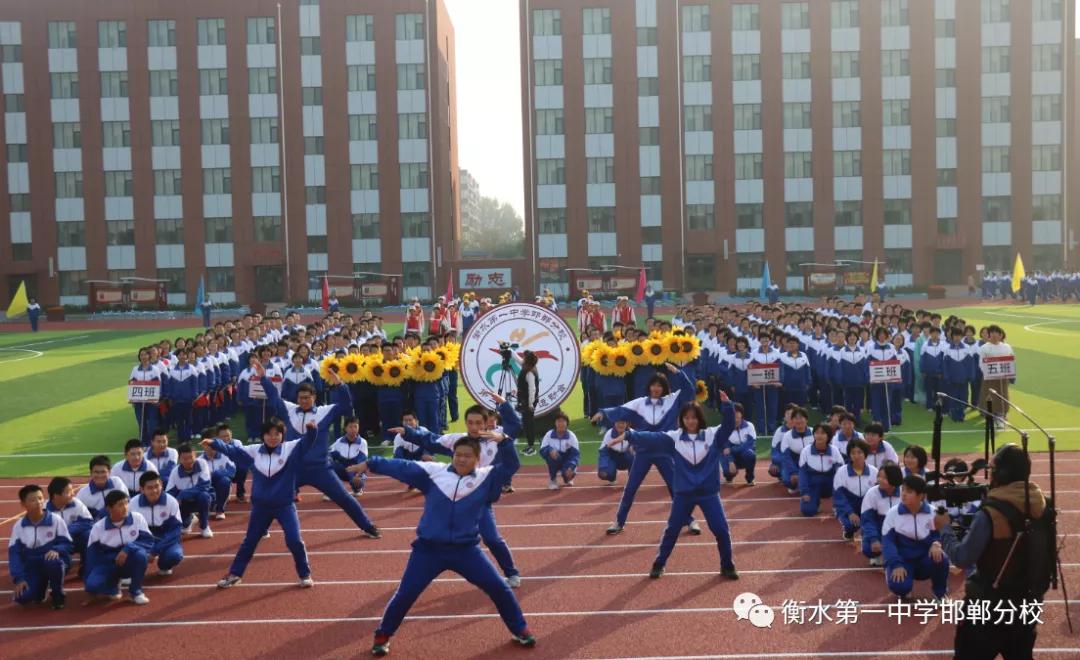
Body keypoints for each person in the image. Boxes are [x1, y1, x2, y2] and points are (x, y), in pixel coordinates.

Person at [348, 431, 534, 656]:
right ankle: (383, 634)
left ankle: (519, 629)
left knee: (500, 588)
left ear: (477, 459)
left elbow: (511, 465)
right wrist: (371, 463)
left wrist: (505, 441)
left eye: (467, 456)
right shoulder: (434, 473)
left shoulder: (487, 477)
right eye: (458, 454)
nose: (462, 459)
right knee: (406, 594)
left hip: (466, 550)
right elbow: (402, 466)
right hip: (428, 550)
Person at [933, 444, 1047, 659]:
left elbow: (962, 557)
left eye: (993, 469)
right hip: (1027, 605)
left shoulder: (991, 513)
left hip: (988, 608)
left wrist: (944, 528)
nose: (990, 474)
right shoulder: (1042, 505)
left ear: (1002, 473)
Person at [393, 399, 523, 587]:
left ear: (486, 422)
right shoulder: (458, 440)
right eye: (470, 422)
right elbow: (432, 440)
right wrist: (409, 433)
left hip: (479, 500)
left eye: (479, 422)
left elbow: (515, 425)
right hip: (454, 499)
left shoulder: (496, 437)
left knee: (492, 539)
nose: (474, 427)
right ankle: (417, 577)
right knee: (433, 536)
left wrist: (504, 405)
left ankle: (511, 573)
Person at [612, 397, 738, 580]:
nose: (690, 421)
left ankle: (727, 565)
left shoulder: (712, 436)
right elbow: (653, 437)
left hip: (708, 494)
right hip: (683, 495)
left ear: (700, 418)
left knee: (721, 529)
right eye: (686, 418)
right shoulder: (674, 438)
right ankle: (659, 563)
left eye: (694, 417)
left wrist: (728, 405)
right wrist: (630, 435)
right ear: (682, 420)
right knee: (672, 530)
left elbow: (728, 425)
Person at [258, 363, 379, 538]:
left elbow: (346, 406)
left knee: (344, 498)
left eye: (307, 397)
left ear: (314, 397)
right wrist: (263, 378)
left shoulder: (325, 411)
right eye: (300, 397)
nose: (303, 400)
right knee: (273, 497)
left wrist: (340, 384)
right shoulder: (289, 409)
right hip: (294, 468)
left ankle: (368, 526)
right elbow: (273, 397)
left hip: (321, 469)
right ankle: (261, 528)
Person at [207, 419, 322, 589]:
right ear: (263, 435)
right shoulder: (253, 451)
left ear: (283, 435)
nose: (273, 437)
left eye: (277, 434)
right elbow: (233, 451)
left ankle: (304, 574)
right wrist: (215, 443)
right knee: (250, 541)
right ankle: (235, 574)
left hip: (284, 505)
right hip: (261, 507)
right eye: (269, 434)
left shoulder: (290, 449)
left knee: (294, 540)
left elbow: (307, 441)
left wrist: (312, 430)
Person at [591, 364, 700, 536]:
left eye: (659, 385)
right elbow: (620, 410)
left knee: (675, 488)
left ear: (664, 387)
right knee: (631, 488)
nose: (656, 388)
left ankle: (690, 520)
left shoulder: (672, 400)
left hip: (664, 451)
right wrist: (602, 413)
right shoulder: (639, 403)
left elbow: (689, 390)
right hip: (643, 452)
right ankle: (619, 522)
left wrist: (678, 373)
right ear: (649, 386)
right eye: (653, 385)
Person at [881, 475, 949, 601]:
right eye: (903, 490)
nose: (904, 494)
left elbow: (939, 535)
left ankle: (939, 592)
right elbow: (888, 542)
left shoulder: (933, 513)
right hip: (902, 560)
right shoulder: (893, 514)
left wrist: (936, 543)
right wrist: (895, 564)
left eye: (909, 491)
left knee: (942, 558)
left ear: (921, 496)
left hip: (924, 560)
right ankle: (902, 585)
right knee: (900, 587)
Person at [84, 490, 155, 605]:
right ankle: (113, 584)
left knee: (141, 555)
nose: (125, 507)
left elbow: (148, 541)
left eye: (126, 503)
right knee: (92, 585)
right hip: (108, 563)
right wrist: (89, 584)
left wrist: (128, 548)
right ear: (109, 509)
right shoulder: (98, 528)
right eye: (120, 505)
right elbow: (92, 556)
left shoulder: (137, 518)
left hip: (129, 559)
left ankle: (136, 591)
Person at [8, 484, 72, 609]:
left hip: (53, 561)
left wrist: (56, 549)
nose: (38, 502)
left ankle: (58, 594)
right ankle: (40, 589)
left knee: (53, 562)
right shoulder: (19, 526)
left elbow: (67, 543)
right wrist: (20, 579)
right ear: (23, 504)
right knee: (22, 598)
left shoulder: (55, 520)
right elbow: (14, 553)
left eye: (40, 498)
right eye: (33, 500)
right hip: (33, 566)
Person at [129, 472, 184, 577]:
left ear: (162, 485)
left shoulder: (171, 502)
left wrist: (154, 551)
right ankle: (130, 571)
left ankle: (164, 565)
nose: (154, 491)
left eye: (156, 486)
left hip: (164, 536)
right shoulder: (133, 504)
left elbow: (175, 531)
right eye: (149, 488)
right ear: (141, 489)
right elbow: (130, 530)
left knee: (175, 555)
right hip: (143, 537)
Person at [45, 477, 94, 574]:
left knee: (88, 535)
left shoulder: (75, 503)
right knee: (61, 567)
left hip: (74, 539)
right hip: (57, 544)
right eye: (68, 492)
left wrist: (67, 531)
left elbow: (88, 522)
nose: (73, 494)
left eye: (72, 490)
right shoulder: (44, 511)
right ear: (56, 496)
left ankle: (86, 566)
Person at [832, 439, 878, 540]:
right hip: (849, 506)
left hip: (867, 507)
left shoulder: (874, 471)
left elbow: (878, 494)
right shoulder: (841, 472)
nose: (856, 456)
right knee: (851, 525)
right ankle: (848, 530)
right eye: (853, 453)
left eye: (859, 452)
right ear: (849, 455)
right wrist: (850, 512)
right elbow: (838, 495)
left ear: (865, 454)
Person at [165, 444, 214, 538]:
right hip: (185, 503)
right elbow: (169, 492)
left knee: (204, 496)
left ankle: (204, 526)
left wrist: (182, 494)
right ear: (179, 459)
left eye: (191, 457)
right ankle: (188, 520)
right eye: (184, 458)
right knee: (173, 502)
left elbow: (204, 485)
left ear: (195, 455)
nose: (188, 461)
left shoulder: (202, 464)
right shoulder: (175, 472)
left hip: (202, 499)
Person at [797, 423, 846, 517]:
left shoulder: (834, 450)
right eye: (817, 433)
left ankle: (837, 506)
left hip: (830, 483)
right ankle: (815, 501)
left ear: (828, 436)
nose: (819, 435)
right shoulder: (806, 451)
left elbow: (841, 472)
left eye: (823, 433)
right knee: (808, 511)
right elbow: (802, 473)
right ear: (813, 434)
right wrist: (804, 492)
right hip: (813, 483)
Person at [860, 462, 903, 567]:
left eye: (885, 478)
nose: (880, 480)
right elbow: (867, 519)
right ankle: (881, 554)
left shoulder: (904, 492)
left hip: (899, 530)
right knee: (868, 548)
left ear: (894, 478)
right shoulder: (872, 493)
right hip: (879, 530)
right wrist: (874, 539)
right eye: (879, 476)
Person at [977, 324, 1014, 430]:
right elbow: (981, 363)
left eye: (996, 332)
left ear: (1000, 334)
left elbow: (1010, 361)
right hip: (989, 378)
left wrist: (1009, 374)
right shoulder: (984, 347)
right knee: (989, 396)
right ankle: (990, 417)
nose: (994, 335)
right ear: (988, 335)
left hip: (1002, 378)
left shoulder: (1006, 347)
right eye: (991, 332)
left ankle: (1001, 417)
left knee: (1002, 395)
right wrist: (988, 373)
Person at [129, 348, 164, 446]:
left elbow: (158, 384)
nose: (143, 357)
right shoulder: (135, 369)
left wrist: (157, 398)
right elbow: (132, 383)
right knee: (141, 422)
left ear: (149, 356)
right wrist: (132, 399)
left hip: (152, 402)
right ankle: (143, 443)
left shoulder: (155, 369)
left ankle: (152, 443)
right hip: (139, 402)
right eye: (141, 355)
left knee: (152, 423)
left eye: (145, 355)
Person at [76, 455, 129, 520]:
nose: (100, 475)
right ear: (91, 473)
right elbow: (78, 516)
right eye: (96, 472)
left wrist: (100, 513)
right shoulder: (82, 494)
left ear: (109, 472)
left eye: (103, 472)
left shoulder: (117, 482)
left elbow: (126, 501)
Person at [539, 410, 580, 490]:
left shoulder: (571, 436)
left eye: (563, 421)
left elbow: (575, 454)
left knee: (568, 477)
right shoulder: (549, 435)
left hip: (567, 459)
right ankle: (553, 480)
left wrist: (571, 467)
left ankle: (567, 477)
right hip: (555, 459)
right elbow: (542, 450)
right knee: (552, 457)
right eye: (558, 421)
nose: (561, 423)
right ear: (555, 423)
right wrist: (549, 450)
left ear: (567, 423)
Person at [329, 417, 369, 496]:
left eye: (355, 427)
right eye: (350, 427)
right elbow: (329, 454)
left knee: (360, 480)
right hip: (343, 469)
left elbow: (361, 460)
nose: (353, 429)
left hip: (358, 470)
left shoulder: (363, 442)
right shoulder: (339, 441)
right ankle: (330, 491)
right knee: (327, 464)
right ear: (345, 428)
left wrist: (357, 475)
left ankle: (358, 488)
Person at [720, 402, 757, 485]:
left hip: (743, 453)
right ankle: (729, 476)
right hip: (731, 455)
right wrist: (730, 461)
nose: (735, 418)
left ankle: (749, 477)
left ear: (742, 414)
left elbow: (749, 444)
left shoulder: (749, 426)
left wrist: (732, 449)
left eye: (737, 414)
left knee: (750, 455)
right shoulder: (724, 428)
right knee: (728, 471)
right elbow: (725, 448)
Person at [515, 350, 539, 456]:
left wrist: (530, 404)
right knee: (526, 422)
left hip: (528, 402)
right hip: (525, 400)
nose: (522, 358)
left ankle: (531, 447)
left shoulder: (529, 372)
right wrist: (508, 349)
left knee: (529, 423)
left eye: (524, 357)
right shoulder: (527, 366)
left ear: (527, 360)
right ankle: (530, 446)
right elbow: (516, 358)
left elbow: (532, 389)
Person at [597, 419, 634, 485]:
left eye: (622, 423)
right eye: (618, 423)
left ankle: (633, 480)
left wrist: (634, 449)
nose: (620, 425)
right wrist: (603, 467)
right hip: (612, 456)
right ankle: (612, 478)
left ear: (627, 424)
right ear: (614, 423)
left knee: (634, 455)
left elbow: (640, 449)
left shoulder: (632, 433)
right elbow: (603, 451)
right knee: (603, 473)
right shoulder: (609, 434)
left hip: (626, 457)